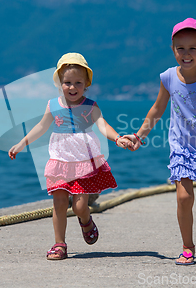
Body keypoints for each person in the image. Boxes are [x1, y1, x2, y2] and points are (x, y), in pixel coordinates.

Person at [125, 18, 196, 265]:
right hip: (181, 150)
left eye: (193, 48)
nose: (186, 54)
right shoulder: (167, 78)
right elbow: (157, 109)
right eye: (180, 48)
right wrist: (138, 136)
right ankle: (188, 247)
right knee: (184, 199)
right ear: (173, 49)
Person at [8, 52, 131, 260]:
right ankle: (59, 244)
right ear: (59, 83)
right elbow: (41, 127)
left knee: (80, 206)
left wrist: (118, 138)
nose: (72, 87)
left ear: (86, 85)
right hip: (60, 160)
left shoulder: (90, 106)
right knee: (59, 202)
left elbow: (103, 125)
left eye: (78, 83)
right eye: (67, 83)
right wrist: (22, 143)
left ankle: (86, 221)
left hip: (83, 161)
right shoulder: (53, 105)